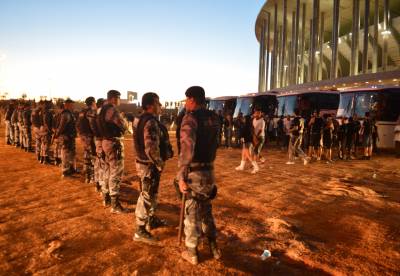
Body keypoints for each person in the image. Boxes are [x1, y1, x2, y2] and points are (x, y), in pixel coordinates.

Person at [178, 86, 221, 265]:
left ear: (192, 100)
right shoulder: (214, 118)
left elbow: (187, 148)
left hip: (194, 171)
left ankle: (192, 252)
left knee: (192, 212)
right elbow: (216, 143)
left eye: (187, 100)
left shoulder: (191, 118)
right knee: (206, 210)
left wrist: (181, 175)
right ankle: (214, 247)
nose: (186, 103)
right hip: (209, 170)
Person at [133, 92, 173, 243]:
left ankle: (151, 219)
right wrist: (159, 163)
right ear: (150, 105)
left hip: (144, 163)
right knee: (147, 195)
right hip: (149, 165)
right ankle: (140, 230)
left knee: (152, 193)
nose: (160, 105)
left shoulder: (139, 119)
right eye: (157, 103)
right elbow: (150, 148)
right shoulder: (150, 122)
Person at [97, 90, 128, 213]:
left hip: (104, 141)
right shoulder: (112, 110)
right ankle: (114, 204)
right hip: (113, 142)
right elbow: (123, 126)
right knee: (116, 171)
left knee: (107, 170)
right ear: (114, 98)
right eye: (119, 98)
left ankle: (106, 197)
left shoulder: (100, 110)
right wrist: (124, 120)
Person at [54, 99, 77, 176]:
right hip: (66, 136)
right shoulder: (65, 114)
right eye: (72, 104)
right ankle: (65, 170)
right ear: (67, 105)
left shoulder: (69, 113)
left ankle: (71, 168)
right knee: (65, 153)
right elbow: (61, 126)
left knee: (71, 153)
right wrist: (58, 135)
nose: (73, 106)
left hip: (70, 136)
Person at [77, 97, 97, 184]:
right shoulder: (90, 111)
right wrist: (96, 133)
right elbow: (92, 124)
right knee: (92, 155)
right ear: (92, 102)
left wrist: (80, 133)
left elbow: (77, 123)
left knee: (86, 154)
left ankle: (87, 176)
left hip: (83, 135)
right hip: (89, 135)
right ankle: (92, 177)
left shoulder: (82, 111)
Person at [88, 98, 105, 193]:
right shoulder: (100, 114)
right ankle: (101, 184)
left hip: (96, 139)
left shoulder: (93, 114)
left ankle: (97, 182)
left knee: (98, 162)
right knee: (102, 163)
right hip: (100, 140)